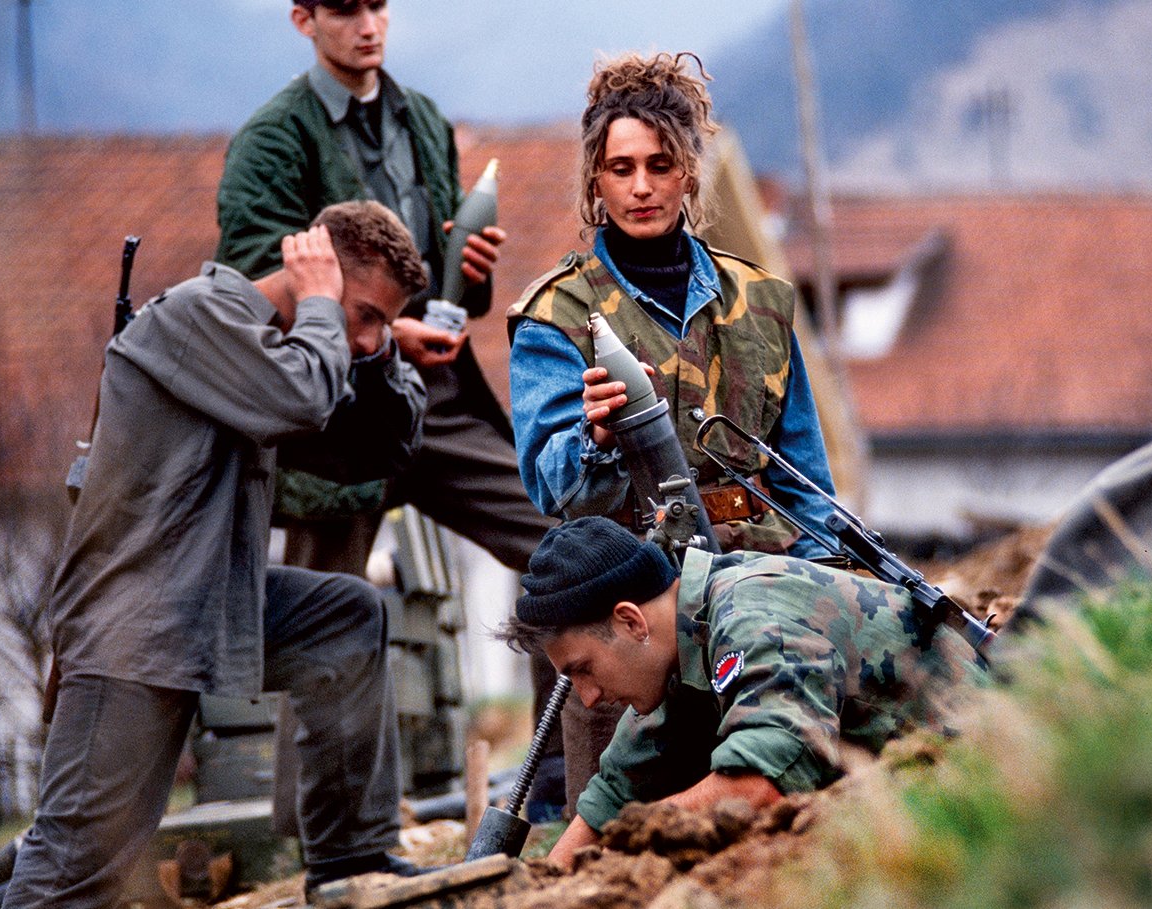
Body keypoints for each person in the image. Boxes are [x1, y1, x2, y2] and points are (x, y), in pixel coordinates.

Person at [3, 202, 431, 909]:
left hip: (214, 606)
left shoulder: (284, 348)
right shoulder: (200, 316)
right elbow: (302, 400)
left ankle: (351, 860)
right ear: (315, 272)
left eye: (380, 324)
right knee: (75, 871)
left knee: (345, 618)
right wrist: (322, 308)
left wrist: (382, 355)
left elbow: (380, 449)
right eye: (363, 315)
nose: (361, 337)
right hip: (133, 629)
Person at [215, 0, 563, 822]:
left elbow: (447, 286)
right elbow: (252, 285)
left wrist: (469, 270)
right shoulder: (272, 140)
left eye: (377, 4)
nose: (367, 24)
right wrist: (377, 332)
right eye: (344, 9)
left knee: (560, 547)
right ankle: (320, 840)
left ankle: (555, 789)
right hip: (331, 416)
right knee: (323, 625)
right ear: (302, 19)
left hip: (436, 401)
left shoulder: (422, 120)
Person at [506, 52, 839, 809]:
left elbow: (805, 482)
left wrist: (822, 589)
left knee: (780, 810)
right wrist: (593, 439)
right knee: (618, 834)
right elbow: (550, 488)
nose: (641, 186)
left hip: (756, 603)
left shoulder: (760, 300)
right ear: (594, 180)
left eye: (660, 165)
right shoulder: (555, 315)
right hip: (628, 622)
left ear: (690, 172)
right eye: (620, 168)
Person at [496, 516, 986, 870]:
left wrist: (630, 843)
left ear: (630, 621)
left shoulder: (749, 615)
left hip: (988, 784)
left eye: (583, 670)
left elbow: (759, 784)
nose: (586, 698)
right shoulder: (678, 647)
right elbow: (610, 798)